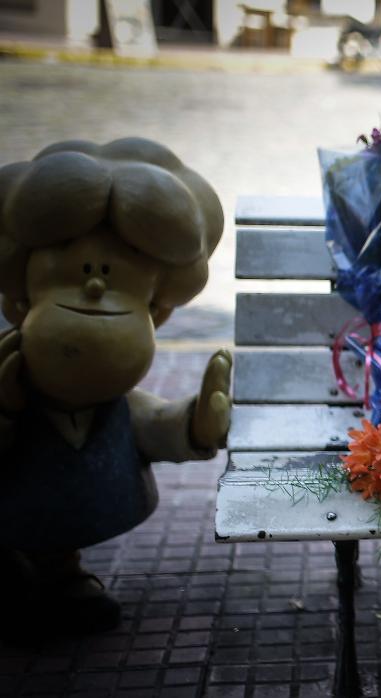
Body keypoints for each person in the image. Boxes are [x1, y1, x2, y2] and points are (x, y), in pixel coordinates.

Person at [0, 138, 232, 637]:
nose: (95, 284)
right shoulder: (11, 371)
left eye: (116, 274)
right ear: (20, 295)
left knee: (47, 562)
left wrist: (195, 425)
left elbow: (146, 422)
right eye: (73, 266)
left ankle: (60, 575)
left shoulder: (112, 402)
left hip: (64, 514)